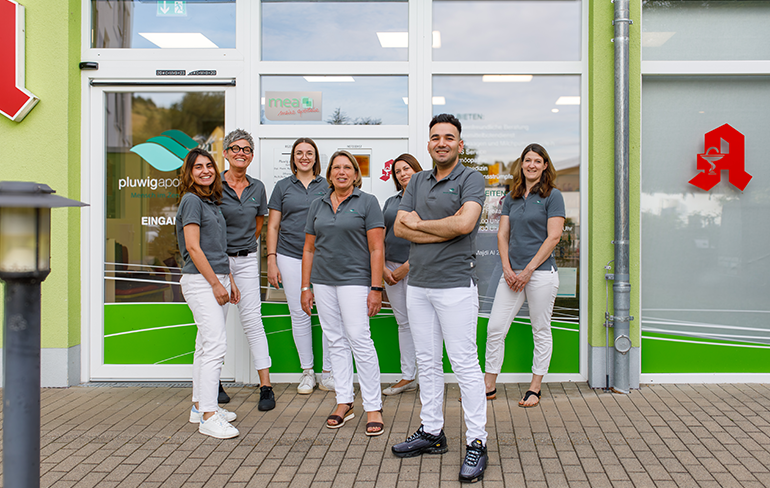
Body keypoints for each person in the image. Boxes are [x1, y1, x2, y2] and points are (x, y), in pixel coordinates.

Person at [391, 114, 488, 483]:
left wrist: (420, 225)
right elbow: (400, 228)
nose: (442, 142)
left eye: (449, 137)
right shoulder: (416, 180)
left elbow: (465, 225)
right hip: (419, 286)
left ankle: (477, 440)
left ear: (459, 145)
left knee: (465, 364)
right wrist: (439, 228)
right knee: (428, 362)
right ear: (429, 144)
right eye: (436, 137)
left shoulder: (471, 178)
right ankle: (432, 433)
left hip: (455, 285)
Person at [300, 150, 386, 436]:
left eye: (347, 167)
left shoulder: (368, 202)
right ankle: (344, 400)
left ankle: (373, 405)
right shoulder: (318, 204)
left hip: (355, 281)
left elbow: (376, 249)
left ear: (355, 173)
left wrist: (376, 288)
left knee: (360, 339)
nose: (341, 172)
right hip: (323, 281)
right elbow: (309, 249)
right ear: (329, 174)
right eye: (336, 167)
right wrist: (305, 286)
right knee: (335, 340)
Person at [484, 143, 564, 408]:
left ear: (544, 166)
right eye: (527, 160)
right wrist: (507, 269)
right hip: (511, 274)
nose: (531, 165)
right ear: (522, 164)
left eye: (537, 161)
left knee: (540, 329)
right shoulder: (512, 197)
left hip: (540, 274)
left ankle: (535, 387)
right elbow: (502, 234)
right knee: (495, 328)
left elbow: (554, 237)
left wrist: (528, 270)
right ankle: (489, 386)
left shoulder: (553, 196)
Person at [176, 148, 240, 439]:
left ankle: (199, 405)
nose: (205, 171)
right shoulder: (191, 200)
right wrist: (216, 283)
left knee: (204, 346)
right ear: (189, 173)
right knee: (215, 345)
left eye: (209, 166)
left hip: (217, 277)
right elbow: (193, 247)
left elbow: (216, 248)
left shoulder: (210, 202)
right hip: (201, 282)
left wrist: (229, 280)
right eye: (198, 167)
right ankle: (209, 417)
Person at [267, 138, 334, 394]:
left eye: (309, 153)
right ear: (293, 158)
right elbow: (273, 225)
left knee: (329, 313)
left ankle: (328, 373)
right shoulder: (282, 186)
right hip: (290, 255)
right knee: (300, 312)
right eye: (299, 153)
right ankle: (308, 372)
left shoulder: (327, 185)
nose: (304, 157)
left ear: (316, 157)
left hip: (323, 256)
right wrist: (271, 259)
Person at [220, 129, 275, 412]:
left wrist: (243, 246)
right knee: (215, 323)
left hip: (246, 259)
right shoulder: (214, 185)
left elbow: (258, 223)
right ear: (226, 153)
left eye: (247, 149)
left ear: (252, 156)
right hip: (217, 261)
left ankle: (265, 386)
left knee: (253, 320)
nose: (241, 153)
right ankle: (212, 381)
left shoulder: (258, 188)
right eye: (236, 148)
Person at [381, 154, 423, 396]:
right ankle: (408, 377)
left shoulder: (428, 199)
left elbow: (432, 238)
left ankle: (427, 378)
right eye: (398, 171)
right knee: (404, 323)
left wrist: (407, 266)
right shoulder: (390, 201)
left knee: (423, 323)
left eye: (406, 168)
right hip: (390, 270)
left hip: (416, 268)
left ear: (416, 169)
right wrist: (383, 268)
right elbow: (381, 235)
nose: (403, 174)